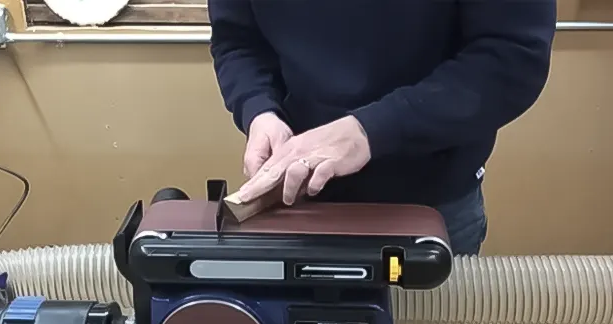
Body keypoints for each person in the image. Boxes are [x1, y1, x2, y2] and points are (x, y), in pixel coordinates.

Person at [208, 0, 557, 256]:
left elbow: (513, 57)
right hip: (297, 206)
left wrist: (371, 130)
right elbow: (238, 39)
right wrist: (259, 109)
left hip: (428, 208)